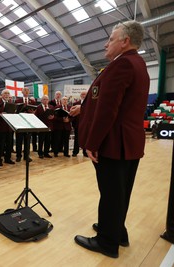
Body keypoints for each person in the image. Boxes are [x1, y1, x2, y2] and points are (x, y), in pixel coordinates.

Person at [73, 20, 150, 258]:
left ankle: (107, 242)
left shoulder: (122, 65)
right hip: (128, 142)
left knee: (110, 193)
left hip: (113, 143)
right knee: (120, 193)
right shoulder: (138, 64)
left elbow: (108, 110)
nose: (106, 44)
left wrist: (92, 143)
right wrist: (83, 110)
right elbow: (112, 104)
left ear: (125, 41)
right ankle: (117, 231)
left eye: (111, 39)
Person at [14, 87, 36, 162]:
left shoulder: (32, 101)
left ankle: (26, 156)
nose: (26, 91)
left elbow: (34, 111)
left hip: (28, 123)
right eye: (25, 90)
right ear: (22, 92)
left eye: (27, 90)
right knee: (19, 141)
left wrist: (33, 113)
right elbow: (15, 112)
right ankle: (18, 156)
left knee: (27, 140)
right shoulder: (18, 100)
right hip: (20, 123)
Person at [0, 89, 15, 166]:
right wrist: (1, 114)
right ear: (2, 95)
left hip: (9, 127)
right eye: (5, 93)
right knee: (0, 144)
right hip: (0, 127)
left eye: (8, 93)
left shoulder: (11, 104)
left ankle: (8, 158)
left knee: (9, 144)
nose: (7, 95)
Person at [71, 91, 87, 157]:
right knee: (77, 139)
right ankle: (75, 152)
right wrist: (73, 124)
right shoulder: (75, 103)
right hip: (77, 125)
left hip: (86, 125)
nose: (83, 95)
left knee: (85, 139)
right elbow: (73, 114)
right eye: (82, 94)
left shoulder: (89, 103)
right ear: (80, 96)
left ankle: (85, 152)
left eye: (85, 94)